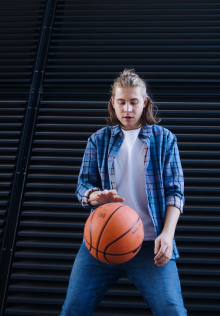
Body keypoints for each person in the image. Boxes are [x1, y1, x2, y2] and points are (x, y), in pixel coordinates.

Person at [60, 69, 187, 316]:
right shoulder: (98, 140)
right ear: (113, 103)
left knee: (172, 310)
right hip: (102, 241)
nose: (127, 109)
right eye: (121, 103)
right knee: (73, 309)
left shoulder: (165, 140)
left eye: (133, 102)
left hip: (151, 245)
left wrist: (168, 235)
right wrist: (96, 197)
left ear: (145, 102)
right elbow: (83, 186)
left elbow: (176, 193)